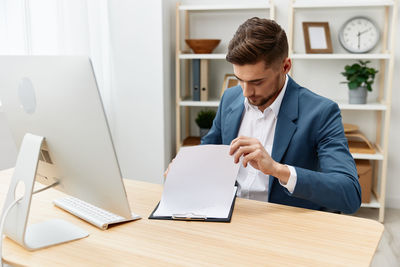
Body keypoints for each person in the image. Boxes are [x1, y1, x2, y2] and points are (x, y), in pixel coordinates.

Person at [166, 17, 361, 214]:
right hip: (229, 215)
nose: (245, 92)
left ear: (285, 67)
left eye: (257, 82)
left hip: (285, 226)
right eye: (239, 80)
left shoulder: (321, 112)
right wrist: (185, 166)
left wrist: (277, 169)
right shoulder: (230, 99)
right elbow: (210, 148)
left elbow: (349, 193)